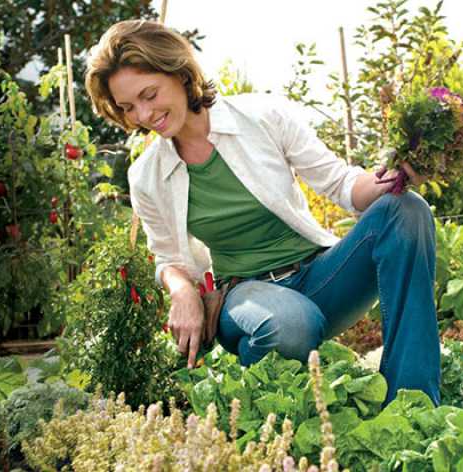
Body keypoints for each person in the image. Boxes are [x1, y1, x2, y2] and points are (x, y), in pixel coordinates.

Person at [85, 19, 441, 405]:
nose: (143, 114)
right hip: (246, 299)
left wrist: (393, 178)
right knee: (290, 324)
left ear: (179, 72)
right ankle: (261, 407)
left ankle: (413, 403)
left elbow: (341, 184)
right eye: (128, 107)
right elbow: (168, 257)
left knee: (406, 210)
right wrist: (183, 290)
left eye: (149, 94)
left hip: (320, 277)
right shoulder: (147, 176)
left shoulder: (262, 117)